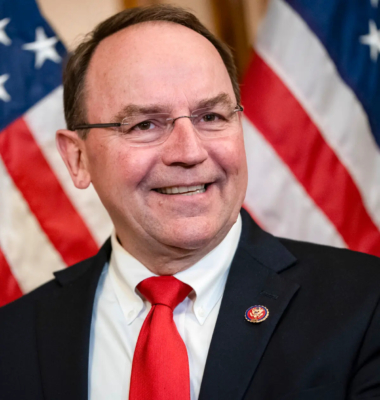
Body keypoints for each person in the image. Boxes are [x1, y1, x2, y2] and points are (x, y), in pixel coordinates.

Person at [1, 4, 380, 400]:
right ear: (77, 159)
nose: (189, 151)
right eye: (145, 124)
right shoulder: (14, 340)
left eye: (212, 117)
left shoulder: (366, 305)